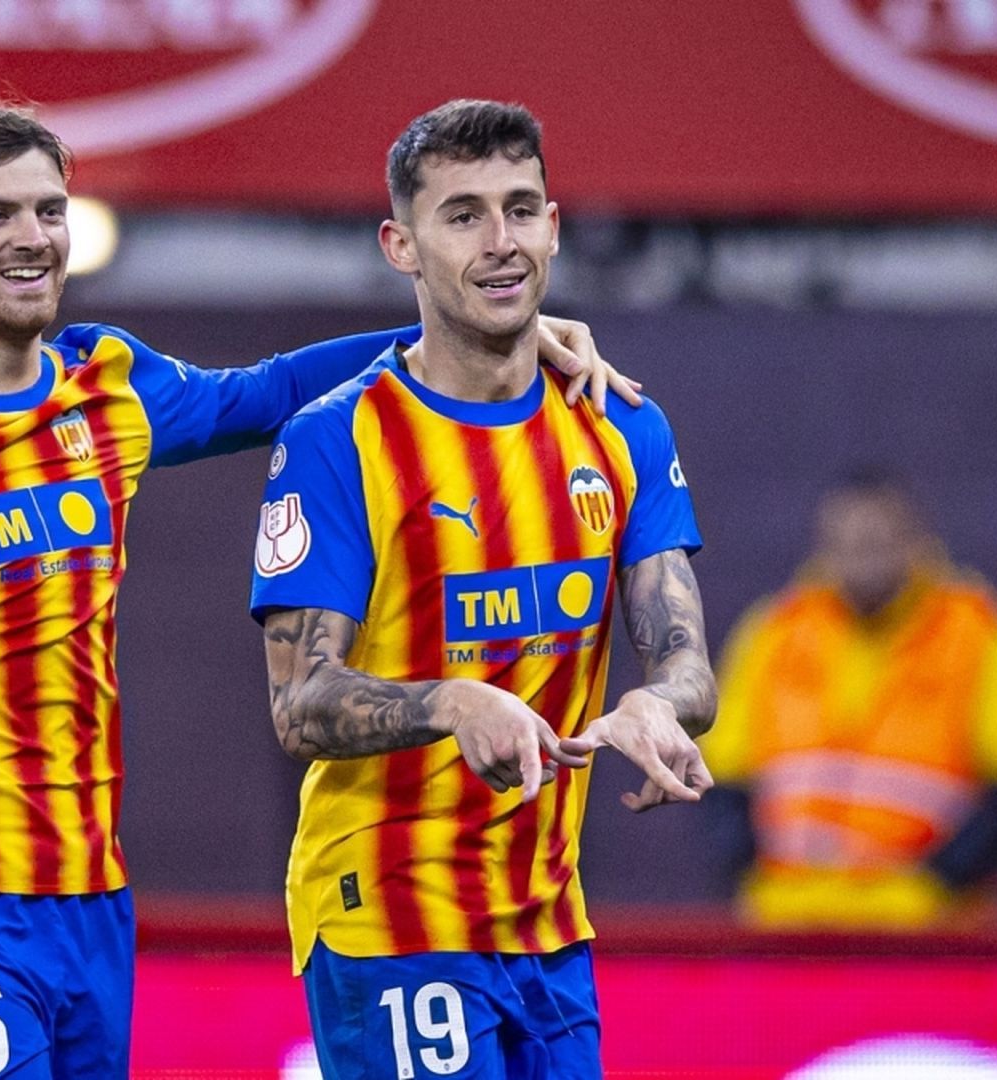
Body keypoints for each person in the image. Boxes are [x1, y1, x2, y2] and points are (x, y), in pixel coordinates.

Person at [0, 100, 635, 1078]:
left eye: (49, 210)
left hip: (90, 910)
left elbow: (269, 392)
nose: (32, 236)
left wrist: (496, 333)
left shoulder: (108, 386)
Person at [251, 100, 717, 1080]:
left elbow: (685, 664)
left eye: (521, 208)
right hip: (387, 915)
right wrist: (452, 703)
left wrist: (656, 705)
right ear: (402, 247)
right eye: (463, 216)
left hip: (547, 921)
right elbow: (301, 703)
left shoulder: (623, 425)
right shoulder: (339, 439)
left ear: (554, 227)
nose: (501, 240)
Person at [704, 468, 997, 930]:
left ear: (917, 541)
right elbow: (725, 779)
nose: (861, 558)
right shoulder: (776, 631)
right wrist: (753, 878)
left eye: (877, 542)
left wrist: (935, 885)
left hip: (924, 929)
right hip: (788, 921)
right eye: (846, 542)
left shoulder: (976, 633)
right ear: (822, 545)